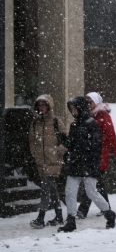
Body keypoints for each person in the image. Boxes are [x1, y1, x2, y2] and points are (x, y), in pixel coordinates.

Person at [59, 96, 116, 232]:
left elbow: (96, 146)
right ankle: (71, 220)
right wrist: (63, 139)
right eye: (71, 109)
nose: (73, 112)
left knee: (92, 192)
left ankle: (109, 213)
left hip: (88, 165)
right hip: (75, 163)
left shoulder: (91, 124)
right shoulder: (74, 124)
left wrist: (92, 162)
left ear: (81, 108)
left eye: (74, 109)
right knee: (70, 192)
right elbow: (71, 144)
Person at [76, 92, 116, 219]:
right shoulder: (88, 117)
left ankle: (82, 210)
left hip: (99, 157)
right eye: (86, 102)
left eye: (90, 102)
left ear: (97, 102)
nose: (88, 104)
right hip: (91, 156)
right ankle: (106, 208)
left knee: (91, 183)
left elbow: (112, 136)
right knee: (97, 184)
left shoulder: (104, 117)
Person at [28, 94, 68, 228]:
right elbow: (32, 141)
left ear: (49, 106)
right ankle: (59, 215)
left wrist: (57, 152)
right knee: (52, 189)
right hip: (41, 161)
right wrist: (35, 154)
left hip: (53, 161)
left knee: (45, 189)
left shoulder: (56, 122)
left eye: (44, 105)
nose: (42, 107)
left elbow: (66, 141)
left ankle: (40, 218)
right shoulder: (35, 123)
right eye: (40, 105)